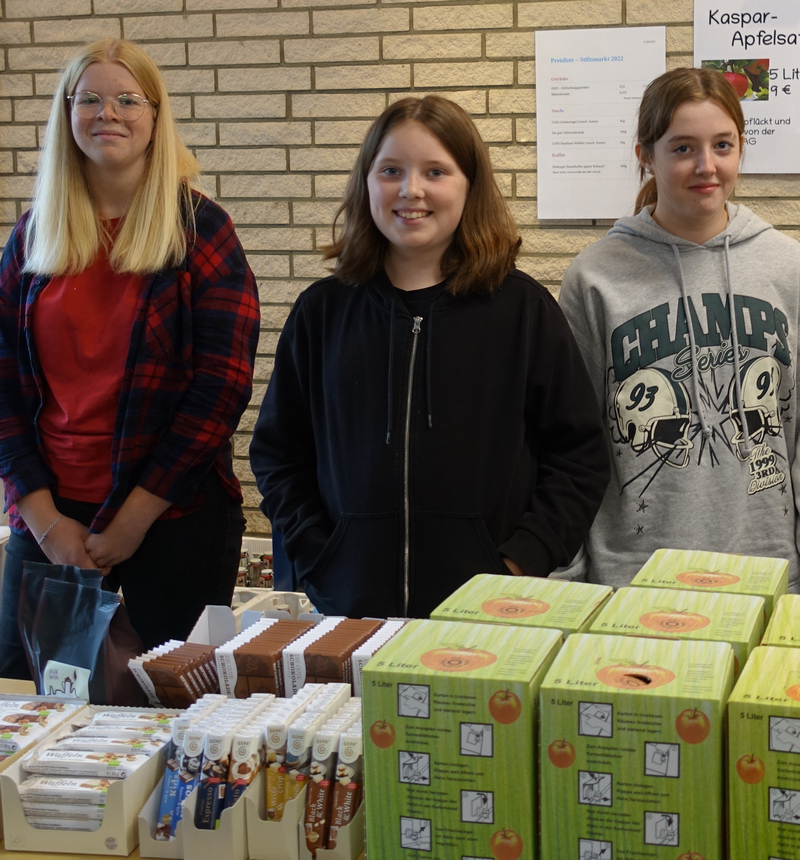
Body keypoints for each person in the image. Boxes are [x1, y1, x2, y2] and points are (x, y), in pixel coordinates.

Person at [249, 95, 610, 619]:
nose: (410, 190)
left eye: (435, 171)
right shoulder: (322, 313)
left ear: (470, 186)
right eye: (391, 170)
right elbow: (279, 454)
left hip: (490, 613)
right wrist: (320, 555)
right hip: (350, 608)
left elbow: (579, 455)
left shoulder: (522, 310)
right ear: (367, 182)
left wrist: (521, 561)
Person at [0, 39, 260, 678]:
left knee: (170, 712)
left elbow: (220, 390)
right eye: (87, 99)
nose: (106, 113)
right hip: (50, 519)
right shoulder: (35, 236)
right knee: (30, 703)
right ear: (66, 115)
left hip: (174, 520)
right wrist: (45, 522)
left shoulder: (201, 232)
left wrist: (133, 521)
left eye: (126, 99)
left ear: (154, 115)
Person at [557, 67, 800, 590]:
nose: (706, 166)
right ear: (646, 153)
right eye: (683, 147)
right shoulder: (595, 275)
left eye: (723, 145)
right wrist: (570, 575)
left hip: (768, 569)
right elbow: (569, 440)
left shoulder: (787, 267)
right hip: (631, 573)